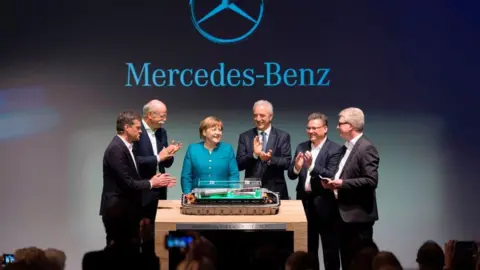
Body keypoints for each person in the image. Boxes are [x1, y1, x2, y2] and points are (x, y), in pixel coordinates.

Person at [100, 111, 176, 244]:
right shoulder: (116, 149)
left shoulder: (129, 147)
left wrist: (157, 177)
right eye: (138, 128)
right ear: (126, 128)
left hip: (128, 209)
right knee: (119, 253)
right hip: (117, 211)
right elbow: (128, 183)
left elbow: (134, 175)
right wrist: (152, 183)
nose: (141, 131)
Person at [321, 107, 380, 270]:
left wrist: (342, 184)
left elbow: (371, 180)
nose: (337, 127)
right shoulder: (346, 147)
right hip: (343, 216)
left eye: (340, 123)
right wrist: (331, 183)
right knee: (346, 261)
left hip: (358, 218)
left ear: (351, 126)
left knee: (360, 263)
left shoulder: (366, 147)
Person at [287, 113, 342, 270]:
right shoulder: (301, 146)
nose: (311, 131)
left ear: (325, 129)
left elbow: (331, 174)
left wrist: (311, 166)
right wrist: (297, 167)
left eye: (314, 128)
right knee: (308, 250)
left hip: (326, 205)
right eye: (308, 128)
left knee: (329, 250)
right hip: (304, 204)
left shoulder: (335, 149)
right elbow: (291, 175)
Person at [133, 99, 182, 253]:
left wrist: (170, 154)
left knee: (155, 233)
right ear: (149, 115)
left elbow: (165, 163)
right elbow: (133, 161)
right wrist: (159, 157)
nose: (165, 119)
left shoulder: (162, 132)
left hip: (159, 190)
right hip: (140, 190)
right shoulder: (136, 131)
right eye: (162, 116)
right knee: (139, 233)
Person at [236, 100, 292, 199]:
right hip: (251, 190)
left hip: (275, 189)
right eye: (255, 115)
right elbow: (239, 164)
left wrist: (269, 159)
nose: (258, 119)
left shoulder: (282, 136)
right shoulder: (245, 136)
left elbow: (287, 163)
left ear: (271, 116)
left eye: (262, 115)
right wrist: (254, 154)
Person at [181, 116, 239, 193]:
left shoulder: (227, 149)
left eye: (220, 130)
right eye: (214, 130)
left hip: (223, 196)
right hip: (197, 196)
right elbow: (186, 176)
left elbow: (234, 175)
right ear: (204, 132)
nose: (218, 133)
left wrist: (233, 194)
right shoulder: (193, 149)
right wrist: (187, 195)